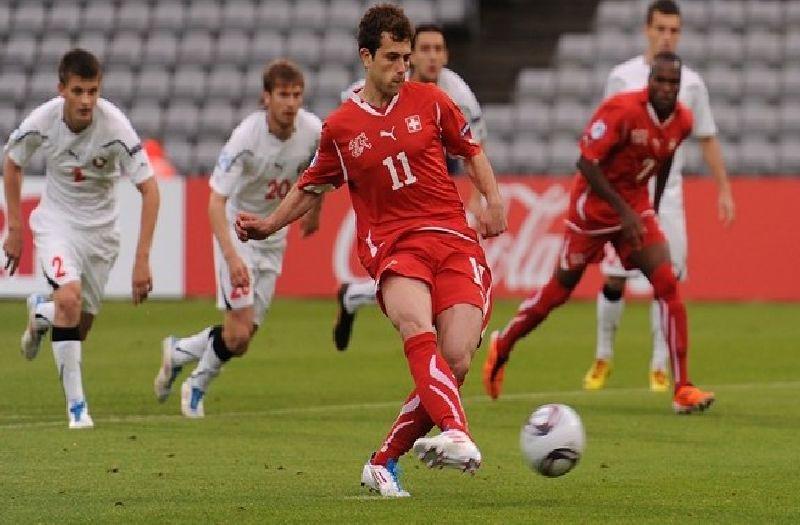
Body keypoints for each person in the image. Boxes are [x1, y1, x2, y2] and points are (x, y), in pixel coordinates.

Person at [235, 5, 506, 497]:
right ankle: (457, 431)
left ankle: (382, 462)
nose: (403, 68)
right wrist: (269, 224)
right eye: (393, 58)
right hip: (395, 247)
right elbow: (311, 186)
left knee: (458, 359)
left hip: (452, 238)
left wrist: (493, 198)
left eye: (407, 58)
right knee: (416, 325)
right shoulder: (340, 128)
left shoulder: (432, 100)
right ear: (366, 57)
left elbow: (471, 150)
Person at [483, 52, 715, 416]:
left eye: (674, 82)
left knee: (668, 284)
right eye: (661, 81)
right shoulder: (622, 110)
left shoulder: (683, 120)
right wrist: (624, 212)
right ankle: (504, 342)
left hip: (634, 209)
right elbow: (585, 163)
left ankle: (682, 387)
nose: (667, 88)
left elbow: (666, 158)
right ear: (649, 81)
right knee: (558, 292)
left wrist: (647, 208)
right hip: (592, 211)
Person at [153, 60, 322, 418]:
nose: (291, 103)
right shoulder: (246, 138)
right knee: (239, 335)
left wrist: (315, 211)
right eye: (283, 95)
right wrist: (231, 256)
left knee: (241, 339)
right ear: (267, 97)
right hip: (240, 233)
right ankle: (195, 387)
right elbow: (215, 201)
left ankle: (180, 351)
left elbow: (319, 170)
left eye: (296, 95)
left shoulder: (312, 131)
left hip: (274, 236)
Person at [3, 49, 159, 429]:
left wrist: (142, 259)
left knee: (78, 325)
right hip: (57, 224)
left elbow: (150, 190)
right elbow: (13, 161)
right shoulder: (43, 121)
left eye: (93, 91)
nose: (87, 100)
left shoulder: (115, 127)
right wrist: (16, 228)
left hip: (101, 235)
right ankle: (77, 408)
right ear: (62, 90)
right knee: (69, 301)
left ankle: (42, 314)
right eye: (78, 91)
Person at [585, 0, 736, 392]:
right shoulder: (622, 77)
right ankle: (603, 357)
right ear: (647, 30)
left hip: (667, 197)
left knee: (666, 280)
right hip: (624, 195)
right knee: (615, 277)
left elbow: (707, 136)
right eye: (661, 28)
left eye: (674, 29)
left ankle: (658, 365)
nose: (667, 36)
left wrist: (723, 188)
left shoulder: (693, 84)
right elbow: (600, 135)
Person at [333, 23, 488, 352]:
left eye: (439, 49)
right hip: (390, 184)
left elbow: (476, 147)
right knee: (408, 271)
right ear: (411, 56)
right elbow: (345, 131)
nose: (432, 57)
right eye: (425, 49)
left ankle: (355, 296)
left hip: (437, 176)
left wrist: (480, 199)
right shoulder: (375, 89)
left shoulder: (455, 92)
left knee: (449, 266)